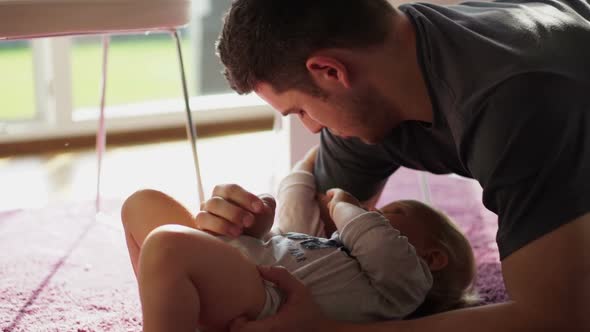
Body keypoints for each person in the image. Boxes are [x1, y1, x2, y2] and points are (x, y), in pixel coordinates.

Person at [208, 0, 590, 331]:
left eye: (302, 111)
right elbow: (318, 243)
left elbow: (558, 317)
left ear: (330, 71)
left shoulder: (514, 104)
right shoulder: (380, 84)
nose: (312, 127)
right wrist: (242, 232)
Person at [120, 148, 477, 332]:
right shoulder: (336, 247)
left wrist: (345, 206)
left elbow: (377, 241)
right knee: (142, 204)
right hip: (241, 268)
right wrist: (259, 224)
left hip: (266, 299)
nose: (377, 213)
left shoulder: (404, 286)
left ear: (433, 258)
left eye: (394, 212)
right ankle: (175, 311)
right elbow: (294, 198)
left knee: (166, 245)